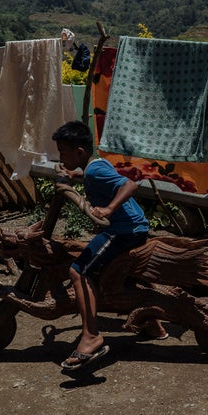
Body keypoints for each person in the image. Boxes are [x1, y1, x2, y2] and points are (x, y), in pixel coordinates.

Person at [52, 120, 167, 370]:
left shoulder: (95, 171)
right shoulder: (94, 165)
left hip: (124, 230)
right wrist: (73, 175)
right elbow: (97, 176)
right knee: (116, 272)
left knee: (78, 271)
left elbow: (129, 184)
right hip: (132, 227)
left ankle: (91, 336)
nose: (59, 156)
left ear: (79, 152)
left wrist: (109, 208)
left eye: (63, 152)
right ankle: (152, 324)